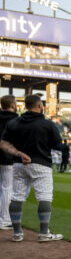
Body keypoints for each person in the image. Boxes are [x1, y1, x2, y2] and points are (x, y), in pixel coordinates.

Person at [0, 94, 64, 242]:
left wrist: (19, 153)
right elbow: (58, 145)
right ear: (39, 106)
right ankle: (43, 233)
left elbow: (3, 144)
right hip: (41, 164)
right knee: (44, 197)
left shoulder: (14, 122)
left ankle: (17, 233)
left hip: (18, 163)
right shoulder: (47, 124)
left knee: (16, 197)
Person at [0, 95, 18, 229]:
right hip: (8, 157)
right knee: (7, 188)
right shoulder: (16, 120)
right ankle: (5, 219)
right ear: (12, 105)